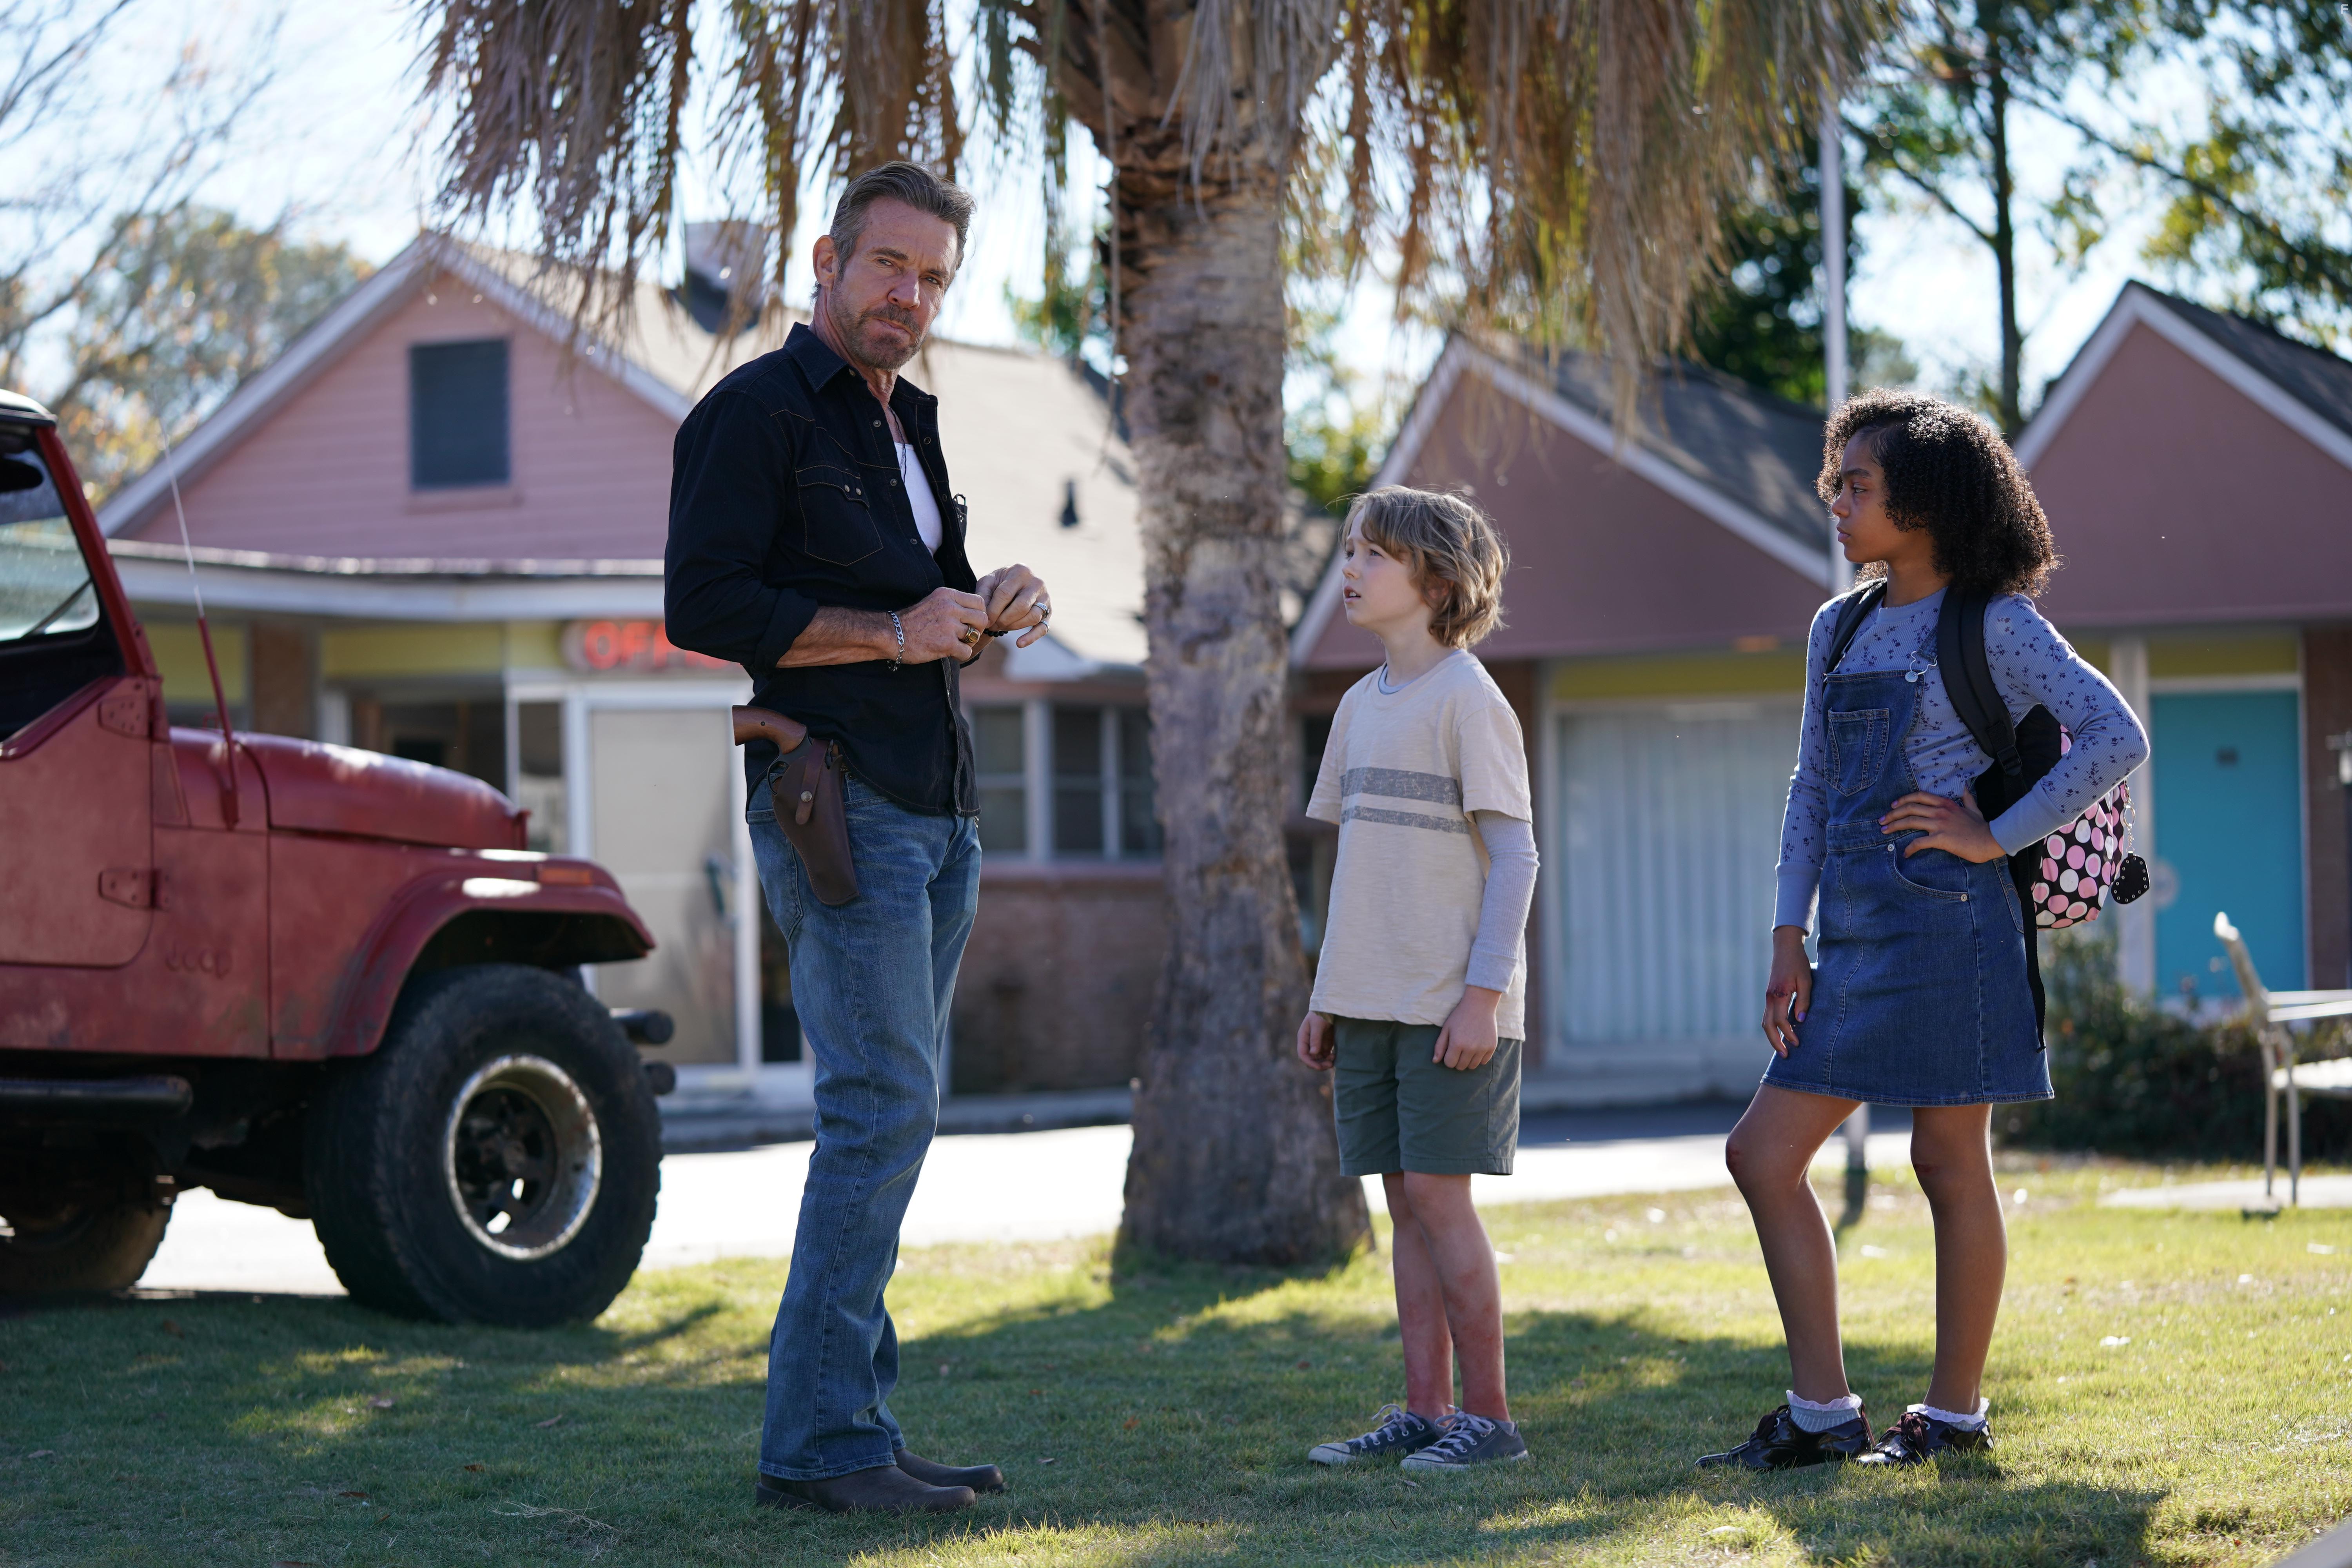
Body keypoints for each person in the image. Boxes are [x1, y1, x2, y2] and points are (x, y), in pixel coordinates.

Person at [664, 161, 1053, 1516]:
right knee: (877, 1112)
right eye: (890, 266)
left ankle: (858, 1428)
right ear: (829, 260)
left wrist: (992, 598)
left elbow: (923, 602)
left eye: (935, 277)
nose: (912, 296)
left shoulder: (911, 423)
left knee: (895, 1116)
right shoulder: (754, 414)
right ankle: (824, 1451)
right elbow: (703, 604)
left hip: (939, 808)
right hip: (843, 804)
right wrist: (893, 634)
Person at [1698, 390, 2149, 1471]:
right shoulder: (1835, 625)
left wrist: (1996, 833)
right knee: (1762, 1155)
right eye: (1836, 484)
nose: (1838, 504)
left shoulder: (1996, 623)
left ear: (1931, 499)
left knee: (1948, 1162)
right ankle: (1822, 1413)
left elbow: (2114, 735)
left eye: (1860, 486)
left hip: (1957, 932)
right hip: (1848, 940)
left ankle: (1952, 1418)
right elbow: (1812, 787)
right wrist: (1783, 934)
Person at [1294, 486, 1538, 1474]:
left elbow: (1517, 859)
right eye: (1348, 549)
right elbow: (1357, 867)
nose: (1349, 568)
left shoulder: (1472, 701)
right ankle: (1426, 1409)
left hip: (1451, 1010)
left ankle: (1492, 1419)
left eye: (1372, 554)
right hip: (1368, 1005)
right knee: (1404, 1202)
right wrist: (1325, 994)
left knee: (1441, 1202)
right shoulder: (1357, 705)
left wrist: (1481, 995)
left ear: (1434, 580)